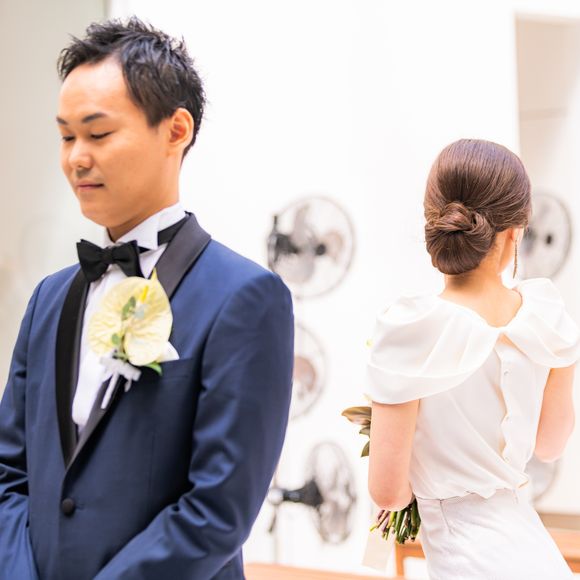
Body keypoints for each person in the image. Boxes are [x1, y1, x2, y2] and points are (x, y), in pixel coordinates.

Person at [0, 17, 294, 580]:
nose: (76, 157)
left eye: (98, 134)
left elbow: (217, 511)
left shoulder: (246, 298)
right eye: (66, 136)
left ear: (175, 130)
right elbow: (9, 473)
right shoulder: (48, 299)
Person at [366, 139, 579, 579]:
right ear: (515, 231)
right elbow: (549, 446)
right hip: (535, 556)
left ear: (434, 219)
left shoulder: (410, 331)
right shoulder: (545, 317)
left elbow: (388, 492)